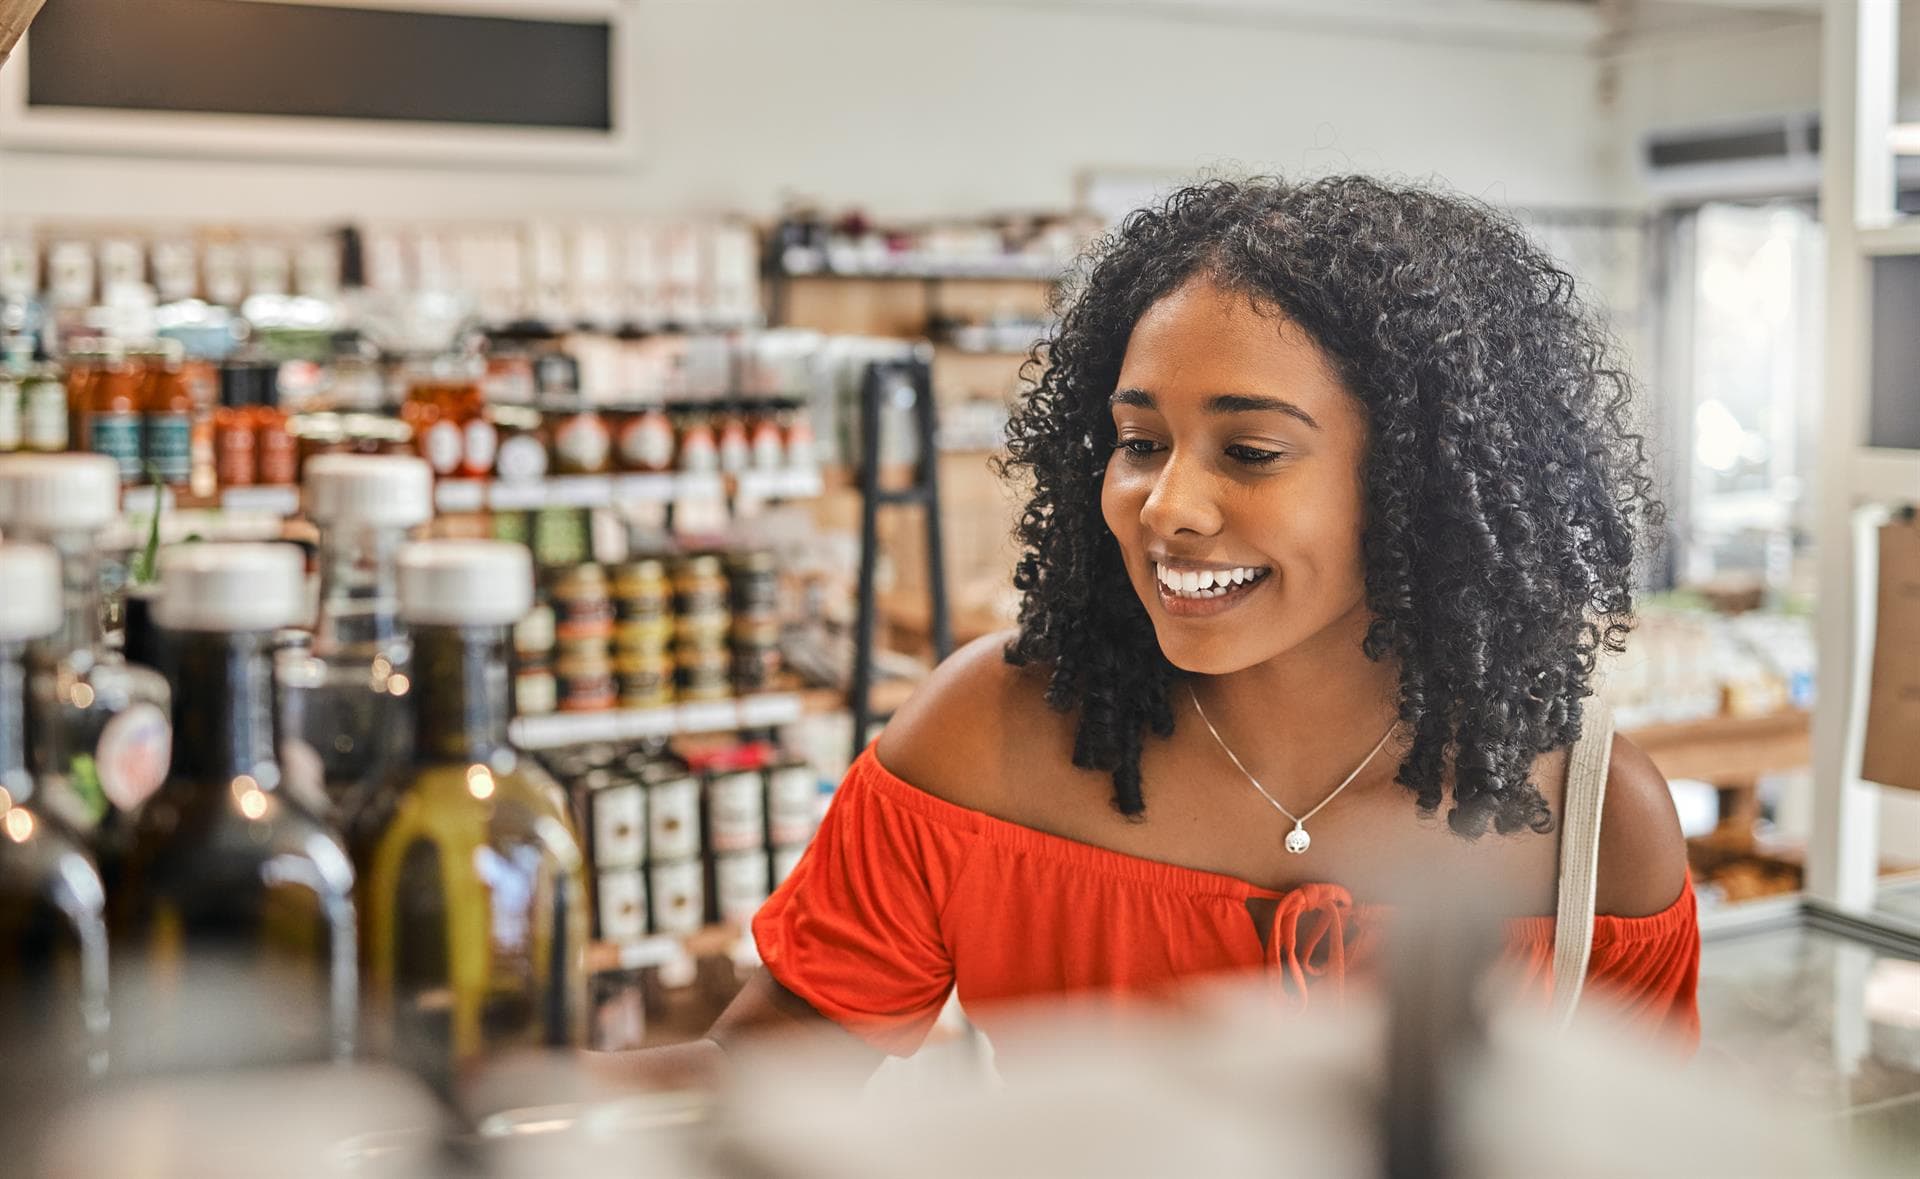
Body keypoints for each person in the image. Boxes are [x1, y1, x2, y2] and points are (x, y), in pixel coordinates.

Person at [625, 176, 1698, 1084]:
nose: (1165, 505)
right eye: (1139, 441)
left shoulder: (1595, 821)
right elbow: (782, 1057)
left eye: (1251, 452)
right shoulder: (986, 734)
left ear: (1421, 487)